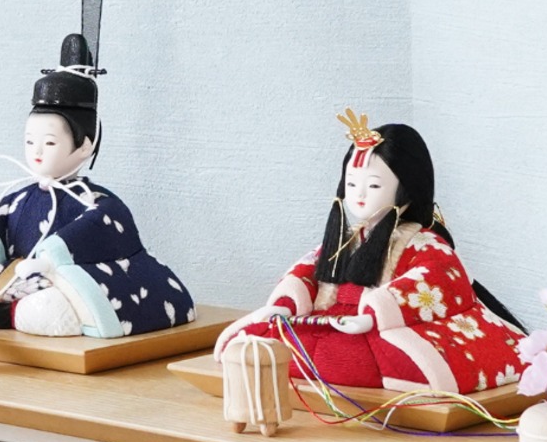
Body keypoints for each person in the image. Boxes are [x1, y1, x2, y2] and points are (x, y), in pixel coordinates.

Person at [215, 111, 526, 394]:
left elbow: (437, 277)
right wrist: (285, 305)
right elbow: (308, 269)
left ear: (407, 188)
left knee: (363, 357)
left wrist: (376, 313)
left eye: (374, 186)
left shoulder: (423, 243)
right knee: (271, 342)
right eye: (352, 184)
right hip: (329, 323)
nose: (360, 195)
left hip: (376, 325)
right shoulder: (349, 239)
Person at [0, 46, 195, 338]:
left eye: (50, 143)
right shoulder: (19, 198)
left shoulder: (95, 202)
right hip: (15, 274)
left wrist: (51, 257)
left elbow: (102, 228)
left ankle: (14, 314)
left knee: (47, 309)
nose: (37, 152)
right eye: (30, 142)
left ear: (85, 146)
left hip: (62, 278)